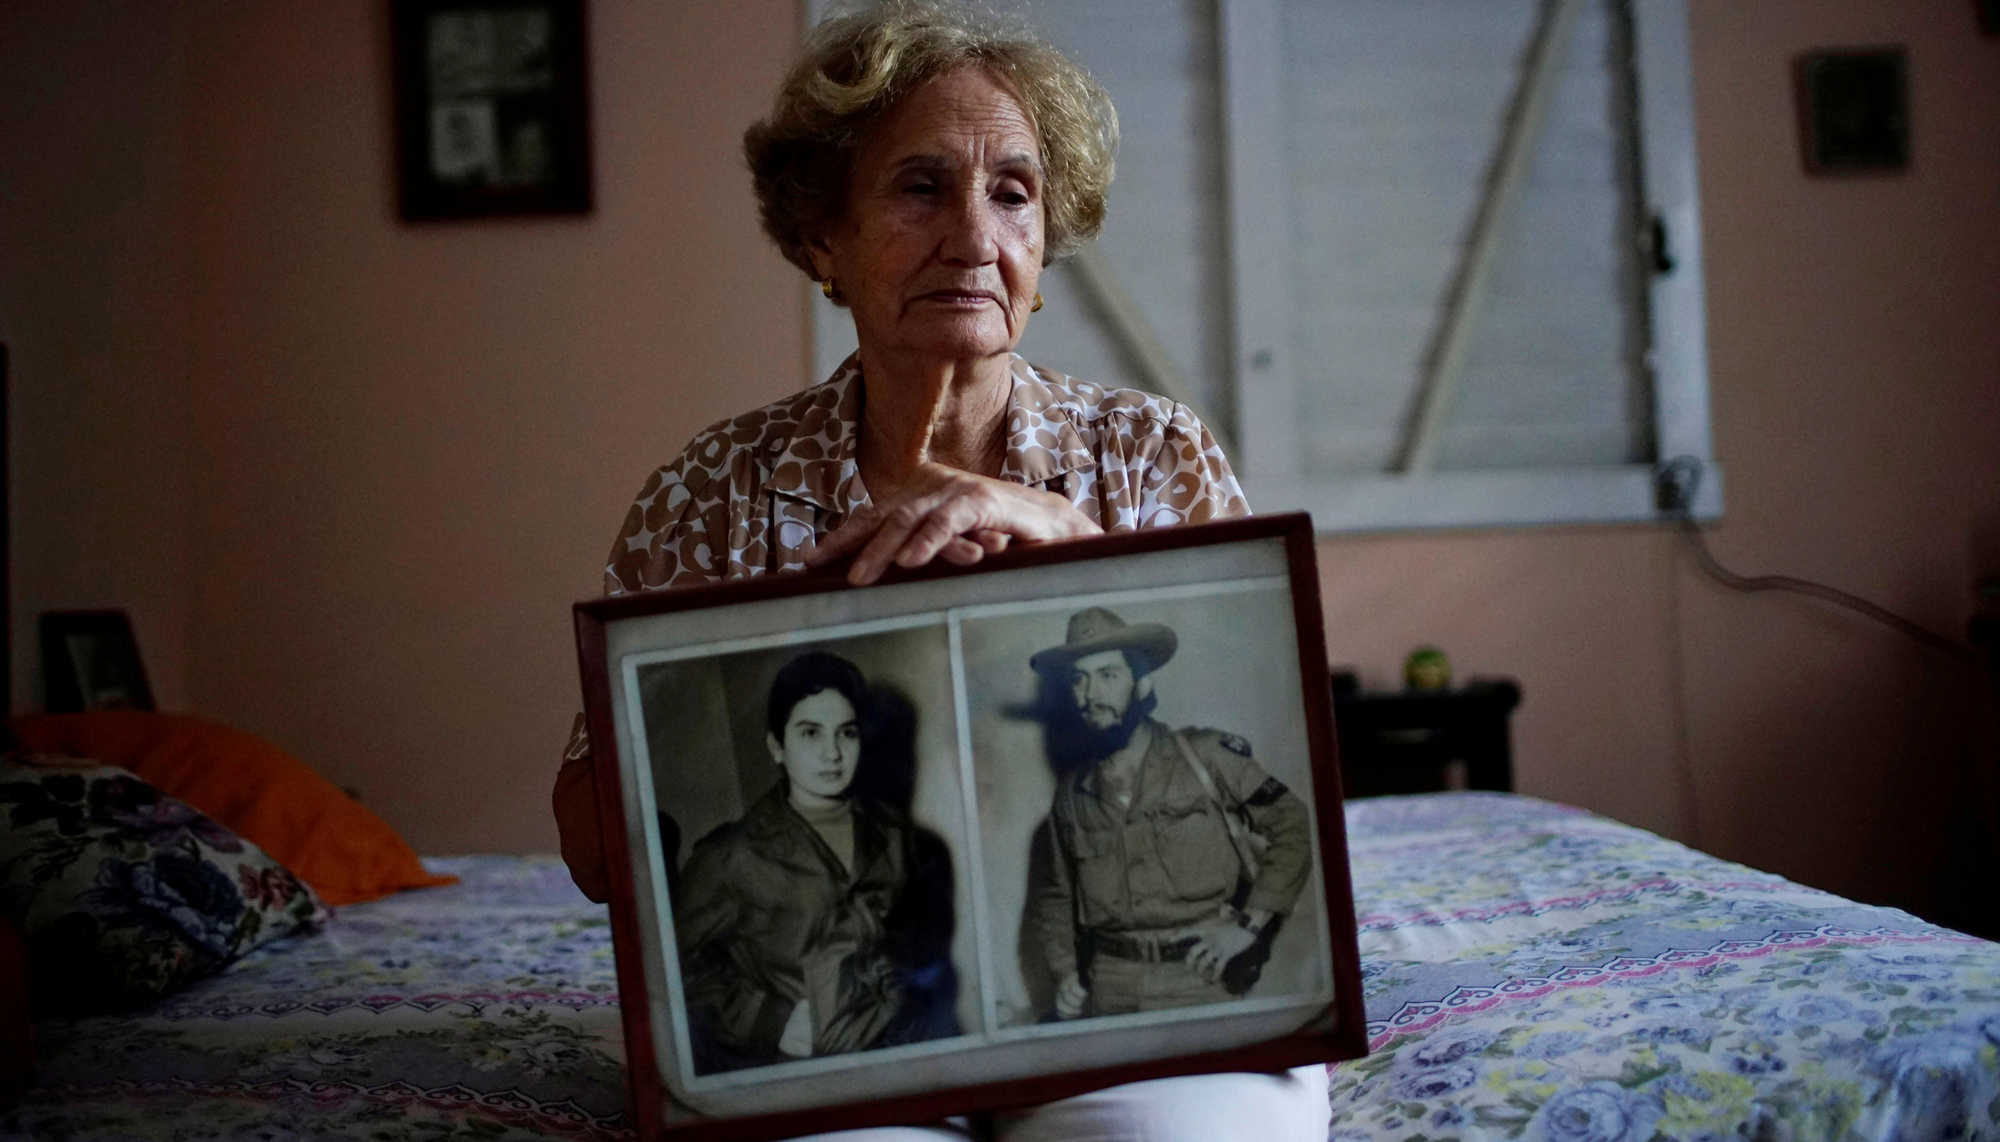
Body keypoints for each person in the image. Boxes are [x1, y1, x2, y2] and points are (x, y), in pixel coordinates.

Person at [551, 2, 1328, 1136]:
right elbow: (592, 854)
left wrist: (1063, 539)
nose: (974, 236)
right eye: (921, 187)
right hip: (844, 1032)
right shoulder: (712, 490)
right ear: (821, 238)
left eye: (1012, 193)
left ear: (1043, 244)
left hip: (1137, 1006)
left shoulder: (1151, 451)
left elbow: (1282, 759)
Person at [674, 651, 955, 1073]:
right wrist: (770, 1021)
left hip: (899, 1051)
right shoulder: (730, 856)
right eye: (810, 733)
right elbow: (674, 969)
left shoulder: (896, 837)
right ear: (777, 747)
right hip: (800, 1069)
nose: (832, 753)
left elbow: (913, 948)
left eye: (847, 733)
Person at [1026, 607, 1312, 1019]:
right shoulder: (1072, 794)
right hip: (1110, 984)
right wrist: (1065, 970)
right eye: (1078, 679)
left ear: (1142, 683)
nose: (1090, 695)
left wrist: (1248, 927)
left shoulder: (1205, 756)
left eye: (1108, 675)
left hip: (1201, 975)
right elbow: (1056, 894)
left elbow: (1293, 824)